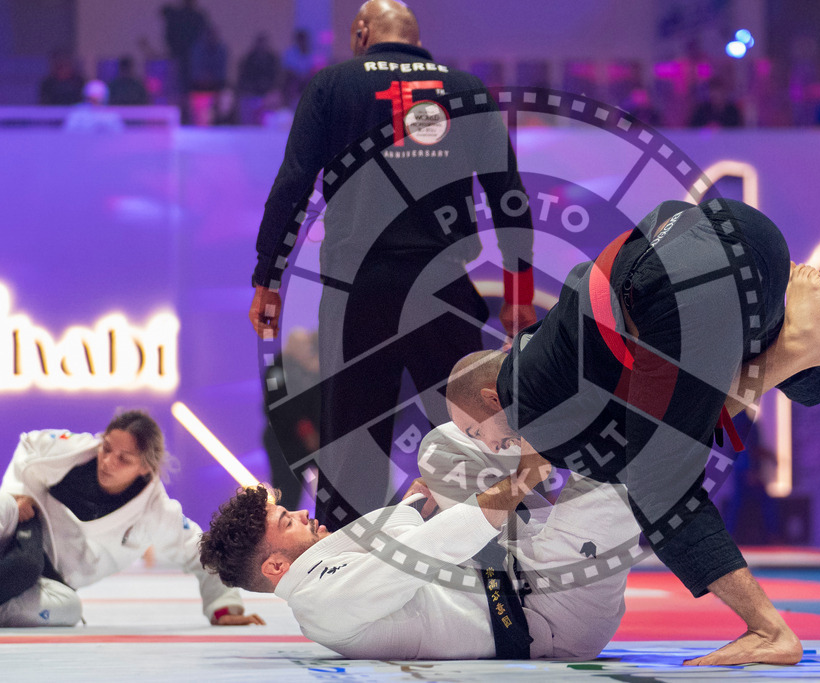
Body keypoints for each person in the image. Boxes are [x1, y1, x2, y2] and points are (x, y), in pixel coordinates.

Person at [445, 198, 820, 665]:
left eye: (474, 430)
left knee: (655, 483)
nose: (488, 444)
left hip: (681, 289)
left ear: (491, 397)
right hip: (745, 237)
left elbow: (634, 466)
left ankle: (769, 631)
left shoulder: (524, 398)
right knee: (705, 387)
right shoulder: (542, 348)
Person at [249, 0, 536, 530]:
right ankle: (501, 573)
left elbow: (292, 185)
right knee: (474, 436)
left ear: (361, 33)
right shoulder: (466, 90)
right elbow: (508, 195)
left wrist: (268, 280)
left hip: (357, 290)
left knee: (350, 446)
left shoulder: (332, 85)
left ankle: (343, 578)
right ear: (415, 38)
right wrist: (520, 290)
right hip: (443, 287)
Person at [199, 429, 642, 660]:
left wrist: (418, 499)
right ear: (275, 566)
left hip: (514, 560)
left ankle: (546, 420)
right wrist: (525, 475)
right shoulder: (322, 602)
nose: (300, 513)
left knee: (441, 447)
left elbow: (401, 531)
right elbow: (424, 551)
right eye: (285, 521)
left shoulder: (324, 563)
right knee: (623, 457)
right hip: (552, 613)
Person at [0, 410, 264, 627]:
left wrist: (224, 606)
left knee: (69, 610)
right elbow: (30, 442)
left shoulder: (156, 512)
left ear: (146, 467)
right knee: (4, 504)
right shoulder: (71, 450)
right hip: (17, 530)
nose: (107, 462)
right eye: (106, 448)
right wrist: (18, 493)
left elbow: (202, 552)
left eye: (123, 459)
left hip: (50, 578)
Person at [262, 328, 321, 510]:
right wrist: (306, 431)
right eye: (303, 347)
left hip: (306, 443)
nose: (306, 351)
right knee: (287, 493)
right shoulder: (278, 370)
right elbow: (280, 405)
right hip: (285, 443)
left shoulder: (306, 370)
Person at [237, 33, 281, 125]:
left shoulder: (272, 59)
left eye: (264, 44)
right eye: (260, 44)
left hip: (267, 94)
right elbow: (243, 78)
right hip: (251, 93)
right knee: (245, 104)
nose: (262, 47)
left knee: (274, 100)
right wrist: (249, 89)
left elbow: (276, 79)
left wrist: (270, 90)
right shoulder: (249, 59)